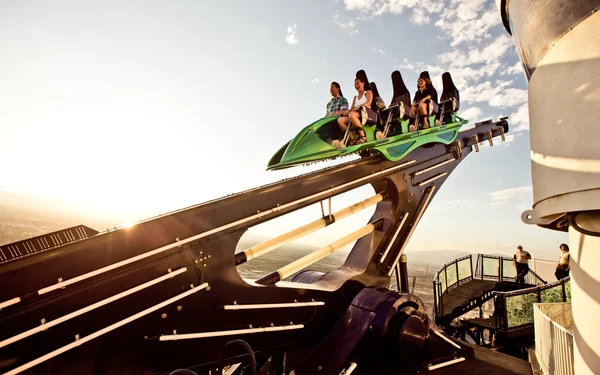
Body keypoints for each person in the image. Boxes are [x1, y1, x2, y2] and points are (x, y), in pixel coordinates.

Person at [336, 74, 373, 145]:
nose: (356, 86)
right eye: (355, 84)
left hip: (365, 113)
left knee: (352, 115)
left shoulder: (368, 92)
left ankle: (363, 137)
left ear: (363, 83)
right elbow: (351, 109)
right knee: (340, 120)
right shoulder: (355, 97)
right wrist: (347, 111)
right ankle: (352, 139)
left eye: (358, 83)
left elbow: (368, 103)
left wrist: (359, 107)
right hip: (355, 114)